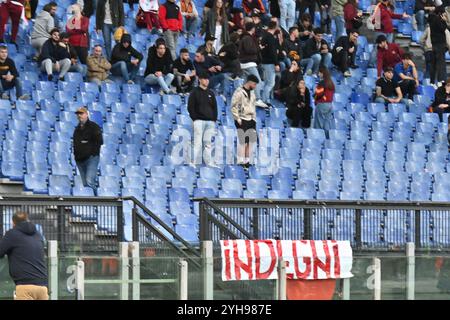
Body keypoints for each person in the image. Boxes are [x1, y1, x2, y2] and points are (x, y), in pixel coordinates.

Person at [0, 211, 48, 300]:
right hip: (43, 286)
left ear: (13, 222)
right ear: (27, 220)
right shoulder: (38, 234)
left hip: (25, 286)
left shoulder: (12, 234)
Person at [187, 72, 218, 166]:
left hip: (210, 122)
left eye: (208, 79)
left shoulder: (211, 93)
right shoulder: (194, 92)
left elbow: (215, 107)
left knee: (208, 143)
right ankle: (192, 162)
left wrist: (214, 119)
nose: (206, 81)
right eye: (204, 79)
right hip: (199, 121)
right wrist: (195, 119)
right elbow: (190, 107)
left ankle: (209, 162)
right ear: (200, 80)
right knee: (197, 143)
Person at [231, 74, 259, 167]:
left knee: (250, 141)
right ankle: (240, 161)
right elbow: (234, 106)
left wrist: (254, 118)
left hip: (251, 119)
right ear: (250, 82)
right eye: (254, 84)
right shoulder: (239, 92)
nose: (255, 86)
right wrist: (237, 118)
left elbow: (254, 106)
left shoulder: (253, 93)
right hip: (242, 118)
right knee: (243, 141)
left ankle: (247, 161)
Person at [73, 106, 103, 190]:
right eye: (78, 114)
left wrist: (87, 144)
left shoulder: (94, 127)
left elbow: (100, 141)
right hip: (80, 159)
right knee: (85, 184)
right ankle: (89, 202)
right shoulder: (77, 129)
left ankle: (95, 202)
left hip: (91, 157)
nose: (79, 116)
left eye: (81, 113)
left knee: (89, 181)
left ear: (86, 114)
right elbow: (76, 143)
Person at [238, 22, 267, 108]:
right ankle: (257, 99)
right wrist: (258, 48)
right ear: (253, 29)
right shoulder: (247, 38)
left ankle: (243, 99)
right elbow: (248, 49)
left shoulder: (245, 37)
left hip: (245, 63)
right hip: (248, 63)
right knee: (257, 80)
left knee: (246, 82)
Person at [260, 20, 280, 104]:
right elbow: (273, 52)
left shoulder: (264, 36)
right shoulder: (271, 38)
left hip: (264, 62)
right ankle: (264, 100)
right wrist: (276, 63)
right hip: (269, 63)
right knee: (271, 83)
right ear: (275, 27)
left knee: (267, 82)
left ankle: (265, 99)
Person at [429, 6, 448, 86]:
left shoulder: (431, 19)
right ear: (440, 13)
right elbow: (442, 28)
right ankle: (441, 80)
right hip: (440, 44)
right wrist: (444, 21)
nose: (444, 15)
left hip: (434, 44)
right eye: (443, 13)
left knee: (434, 63)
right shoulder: (437, 20)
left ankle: (432, 81)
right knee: (441, 63)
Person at [313, 66, 334, 135]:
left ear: (322, 73)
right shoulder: (331, 83)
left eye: (319, 73)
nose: (318, 74)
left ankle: (318, 139)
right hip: (330, 105)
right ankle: (327, 140)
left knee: (318, 124)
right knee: (327, 124)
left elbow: (318, 93)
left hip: (322, 104)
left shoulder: (322, 82)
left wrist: (315, 96)